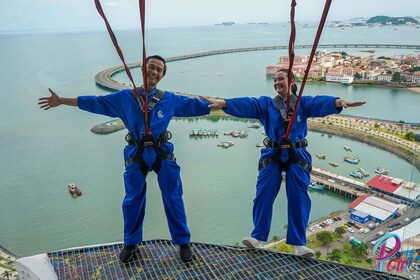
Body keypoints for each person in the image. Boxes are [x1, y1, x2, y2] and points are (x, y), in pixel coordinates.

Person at [38, 55, 211, 263]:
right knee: (132, 200)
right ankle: (131, 242)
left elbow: (197, 106)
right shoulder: (124, 98)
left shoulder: (169, 99)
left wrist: (226, 104)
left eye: (159, 70)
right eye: (151, 67)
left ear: (162, 76)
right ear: (143, 70)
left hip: (161, 151)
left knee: (173, 196)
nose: (154, 72)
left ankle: (183, 242)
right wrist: (62, 101)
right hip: (136, 152)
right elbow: (95, 102)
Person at [202, 69, 365, 257]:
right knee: (263, 193)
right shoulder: (267, 105)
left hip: (297, 152)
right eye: (275, 79)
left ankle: (299, 244)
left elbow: (319, 102)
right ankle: (258, 237)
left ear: (291, 81)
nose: (276, 82)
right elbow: (248, 104)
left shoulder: (302, 104)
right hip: (273, 151)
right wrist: (224, 103)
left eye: (280, 78)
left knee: (299, 196)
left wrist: (337, 102)